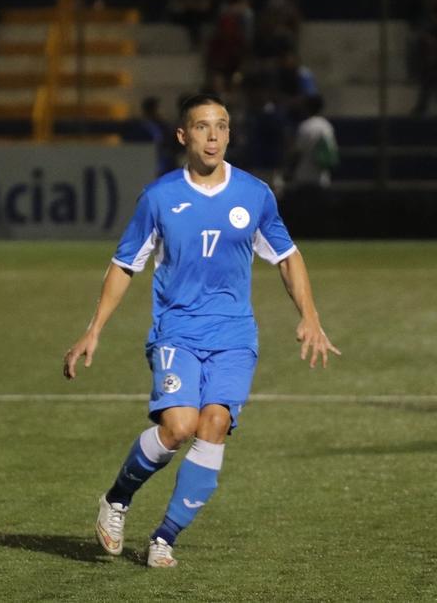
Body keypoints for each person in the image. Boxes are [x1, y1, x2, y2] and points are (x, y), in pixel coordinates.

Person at [63, 93, 339, 568]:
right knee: (178, 426)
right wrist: (94, 330)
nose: (213, 136)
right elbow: (124, 265)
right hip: (178, 332)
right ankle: (117, 500)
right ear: (183, 135)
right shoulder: (159, 198)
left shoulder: (254, 195)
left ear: (230, 134)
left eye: (222, 126)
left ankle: (164, 538)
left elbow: (288, 257)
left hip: (234, 337)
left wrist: (309, 315)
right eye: (202, 127)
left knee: (213, 427)